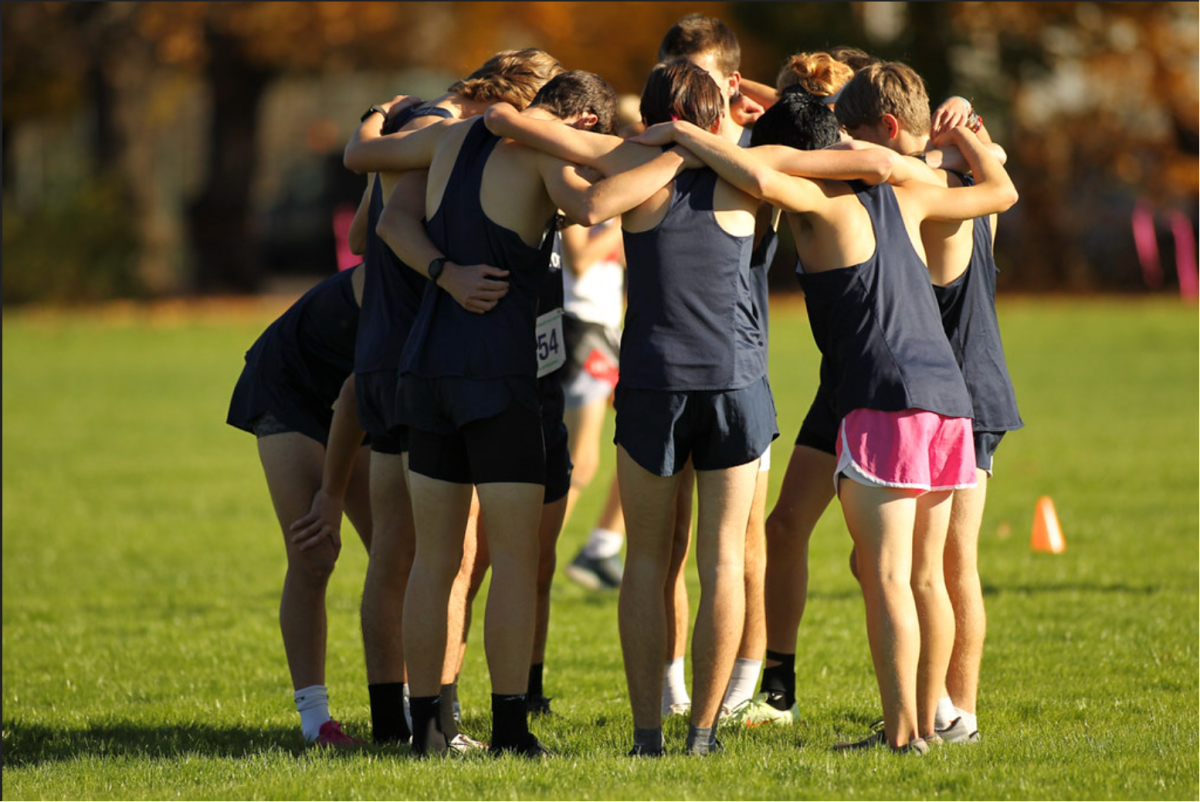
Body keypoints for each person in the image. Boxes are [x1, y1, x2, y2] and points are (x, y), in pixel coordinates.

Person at [633, 83, 1017, 753]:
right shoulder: (909, 188)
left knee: (890, 578)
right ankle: (928, 725)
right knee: (927, 578)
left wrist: (681, 134)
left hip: (881, 398)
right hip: (950, 402)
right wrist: (966, 135)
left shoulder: (814, 203)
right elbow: (1001, 191)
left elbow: (755, 173)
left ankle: (902, 737)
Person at [343, 68, 691, 757]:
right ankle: (508, 730)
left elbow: (390, 219)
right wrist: (679, 154)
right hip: (498, 377)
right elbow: (594, 207)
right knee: (510, 555)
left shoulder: (449, 137)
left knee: (434, 561)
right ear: (582, 125)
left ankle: (426, 732)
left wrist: (445, 271)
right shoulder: (544, 152)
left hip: (426, 368)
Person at [295, 49, 566, 750]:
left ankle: (419, 724)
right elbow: (375, 206)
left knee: (419, 553)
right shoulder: (459, 131)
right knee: (460, 553)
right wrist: (448, 273)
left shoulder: (443, 134)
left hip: (410, 362)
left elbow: (368, 220)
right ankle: (463, 722)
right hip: (453, 363)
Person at [835, 62, 1023, 744]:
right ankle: (942, 711)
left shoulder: (923, 196)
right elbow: (994, 161)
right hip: (968, 390)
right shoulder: (966, 185)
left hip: (948, 392)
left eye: (851, 136)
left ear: (884, 132)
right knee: (933, 568)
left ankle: (950, 712)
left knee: (938, 567)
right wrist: (963, 124)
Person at [226, 264, 372, 747]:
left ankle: (412, 706)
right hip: (291, 384)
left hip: (360, 395)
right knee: (313, 552)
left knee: (400, 553)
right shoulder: (416, 259)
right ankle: (315, 720)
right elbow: (359, 236)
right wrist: (330, 495)